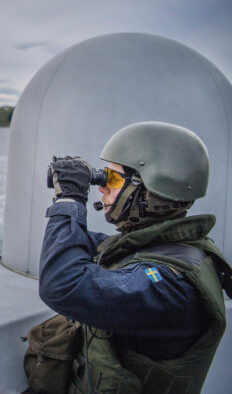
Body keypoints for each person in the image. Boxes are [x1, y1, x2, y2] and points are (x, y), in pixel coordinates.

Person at [39, 121, 232, 394]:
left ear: (151, 191)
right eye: (103, 177)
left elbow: (63, 285)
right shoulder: (165, 245)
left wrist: (69, 201)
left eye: (113, 179)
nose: (102, 188)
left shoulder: (172, 285)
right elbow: (95, 245)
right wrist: (68, 209)